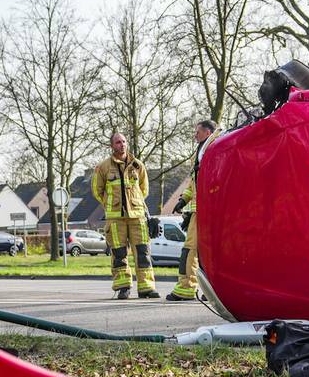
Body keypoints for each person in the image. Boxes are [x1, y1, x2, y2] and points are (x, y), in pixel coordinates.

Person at [93, 132, 157, 299]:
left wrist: (134, 204)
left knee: (143, 252)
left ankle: (147, 287)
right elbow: (97, 191)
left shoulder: (138, 165)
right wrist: (110, 204)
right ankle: (123, 288)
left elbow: (144, 190)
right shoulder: (103, 167)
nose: (121, 144)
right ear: (112, 146)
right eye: (117, 142)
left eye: (123, 141)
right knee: (119, 254)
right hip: (115, 218)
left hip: (137, 216)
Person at [168, 120, 217, 302]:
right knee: (205, 252)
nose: (195, 135)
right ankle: (210, 291)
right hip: (203, 210)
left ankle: (186, 288)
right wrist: (183, 200)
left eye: (198, 132)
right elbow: (193, 182)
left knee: (191, 250)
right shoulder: (203, 152)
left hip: (207, 210)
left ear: (208, 132)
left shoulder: (212, 150)